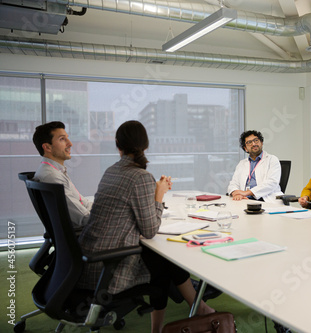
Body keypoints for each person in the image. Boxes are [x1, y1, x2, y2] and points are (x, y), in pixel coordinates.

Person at [78, 120, 214, 333]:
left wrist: (154, 193)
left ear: (117, 144)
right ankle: (196, 307)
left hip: (89, 259)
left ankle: (192, 308)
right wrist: (159, 195)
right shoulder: (141, 176)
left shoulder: (111, 171)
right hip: (110, 266)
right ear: (146, 145)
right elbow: (150, 230)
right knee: (163, 261)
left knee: (160, 260)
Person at [32, 121, 92, 229]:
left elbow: (81, 202)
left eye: (67, 138)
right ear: (47, 147)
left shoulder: (53, 171)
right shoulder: (52, 177)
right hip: (85, 237)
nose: (70, 144)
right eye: (62, 139)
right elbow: (84, 218)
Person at [227, 130, 283, 202]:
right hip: (245, 200)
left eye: (256, 140)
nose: (253, 144)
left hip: (266, 200)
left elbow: (272, 183)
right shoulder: (242, 163)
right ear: (245, 148)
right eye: (249, 142)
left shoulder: (272, 159)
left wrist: (246, 193)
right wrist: (236, 193)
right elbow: (233, 183)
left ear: (261, 143)